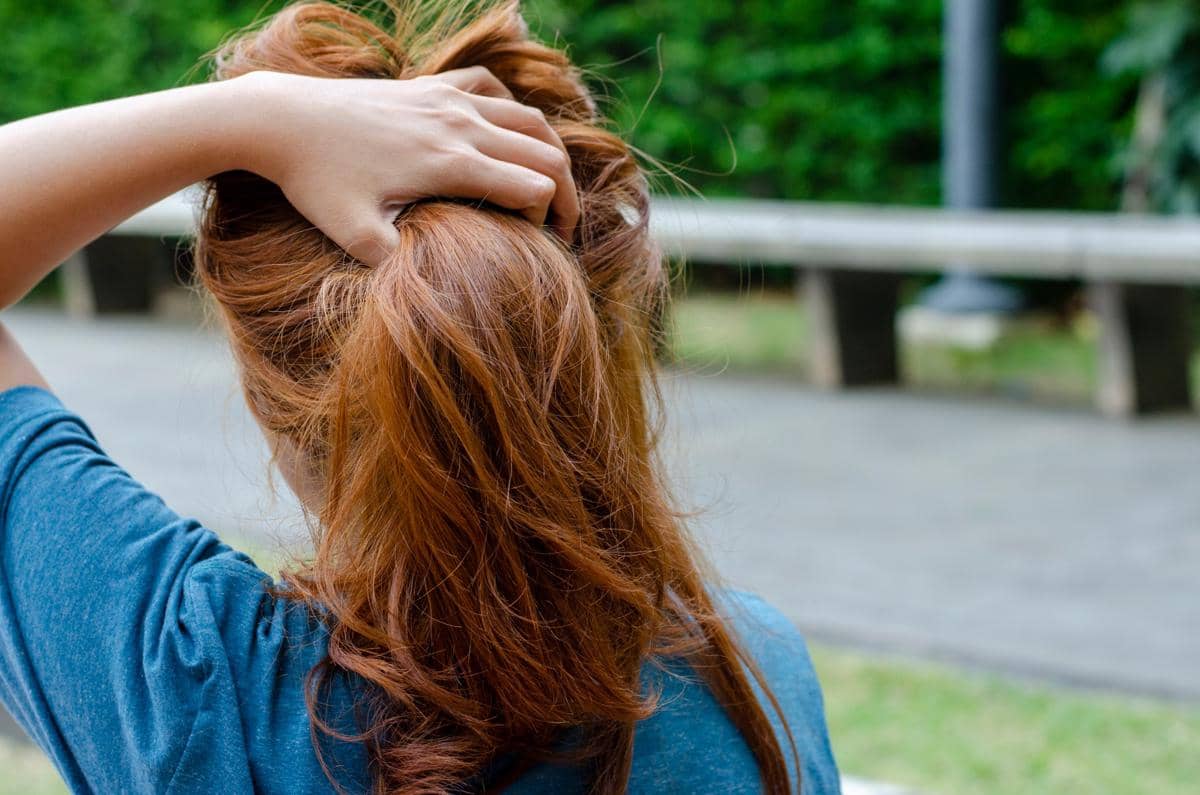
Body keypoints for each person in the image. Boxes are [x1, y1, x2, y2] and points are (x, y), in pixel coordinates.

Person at [0, 1, 840, 792]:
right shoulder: (757, 679)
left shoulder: (196, 690)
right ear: (587, 344)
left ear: (274, 398)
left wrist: (249, 118)